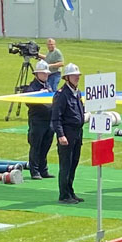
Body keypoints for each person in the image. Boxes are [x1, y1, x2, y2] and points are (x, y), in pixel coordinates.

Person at [50, 63, 85, 204]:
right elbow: (56, 117)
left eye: (77, 75)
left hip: (77, 133)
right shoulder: (61, 95)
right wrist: (60, 135)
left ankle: (70, 191)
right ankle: (64, 194)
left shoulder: (77, 92)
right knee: (66, 165)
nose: (77, 78)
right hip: (67, 133)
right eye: (74, 75)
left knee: (73, 164)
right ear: (67, 77)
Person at [24, 60, 55, 180]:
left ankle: (43, 169)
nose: (46, 75)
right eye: (43, 73)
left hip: (49, 120)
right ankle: (35, 171)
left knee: (46, 145)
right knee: (36, 146)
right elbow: (28, 102)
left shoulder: (48, 85)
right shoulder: (32, 87)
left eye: (46, 73)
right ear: (37, 74)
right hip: (38, 121)